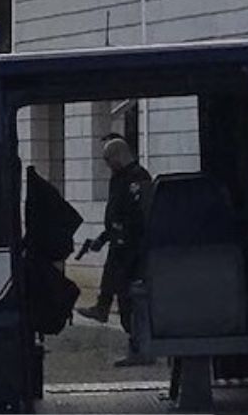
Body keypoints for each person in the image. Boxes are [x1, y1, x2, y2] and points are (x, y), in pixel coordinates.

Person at [76, 138, 154, 367]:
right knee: (121, 291)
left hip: (134, 247)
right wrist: (103, 238)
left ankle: (140, 348)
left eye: (108, 160)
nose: (107, 165)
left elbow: (137, 215)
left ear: (119, 155)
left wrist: (119, 233)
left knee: (131, 299)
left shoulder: (138, 177)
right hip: (119, 244)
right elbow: (115, 216)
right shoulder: (118, 178)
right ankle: (104, 307)